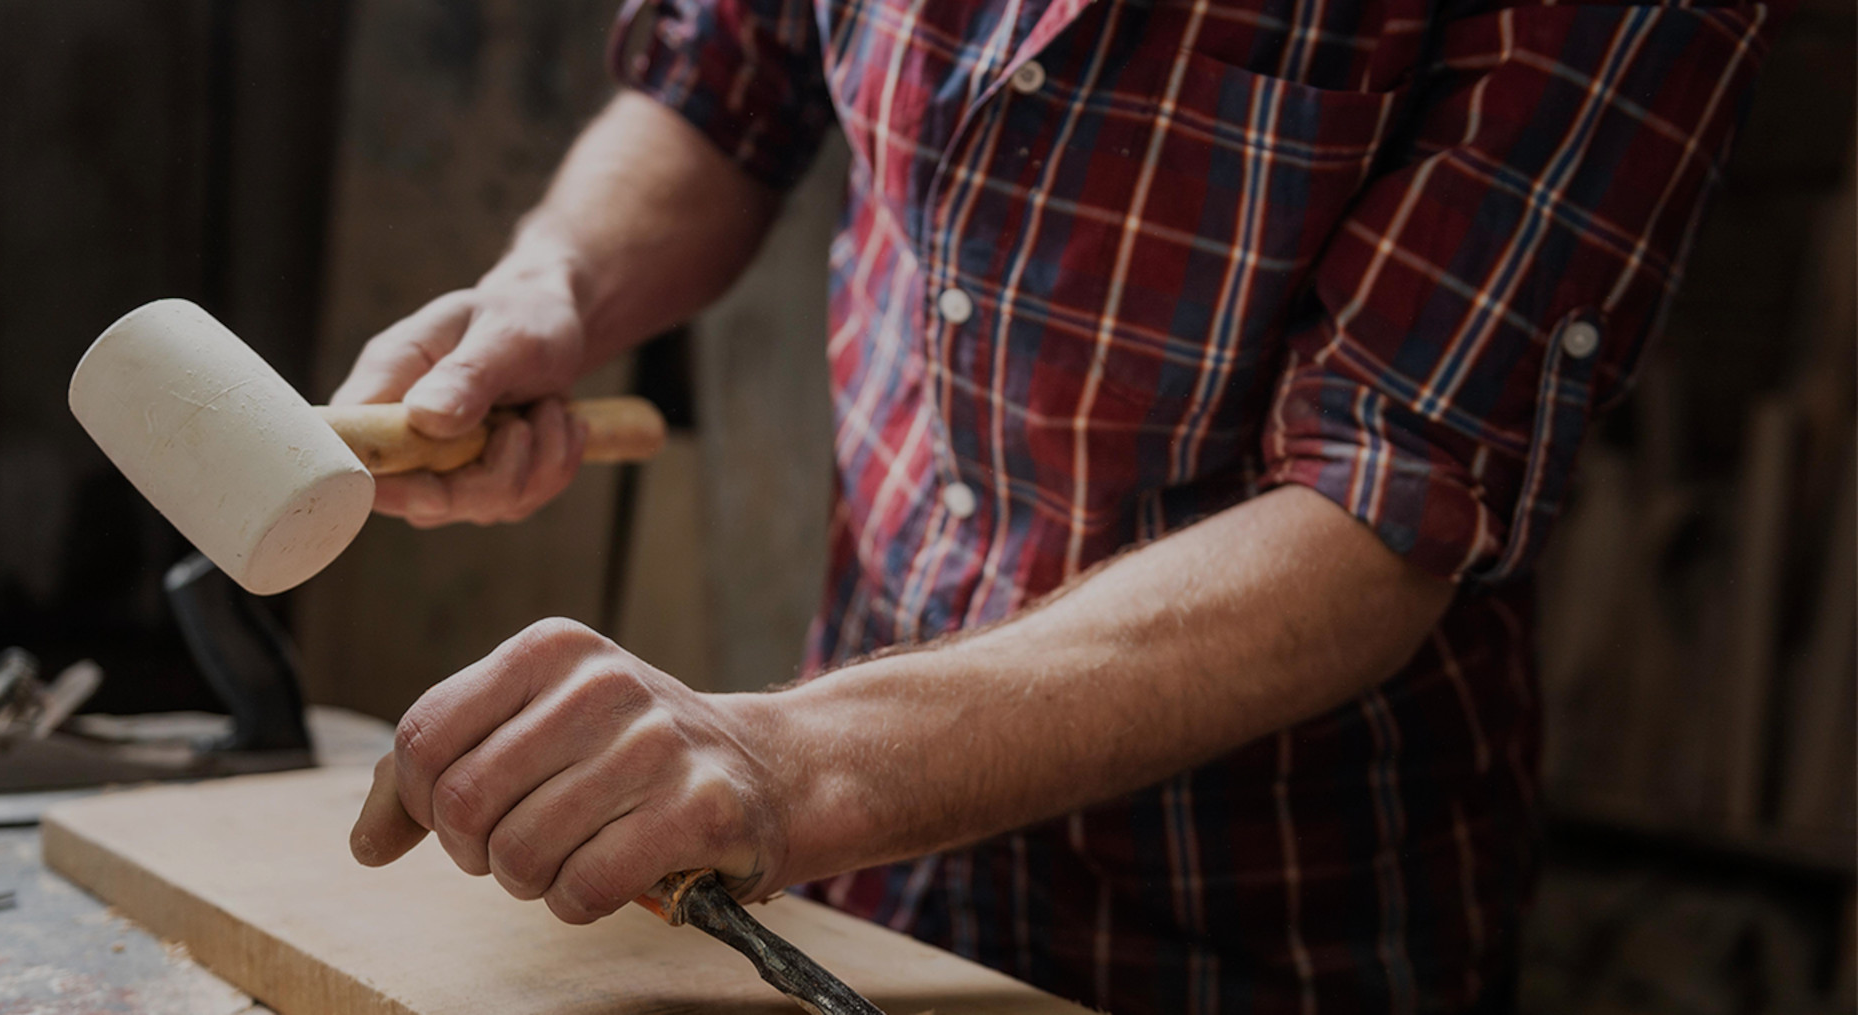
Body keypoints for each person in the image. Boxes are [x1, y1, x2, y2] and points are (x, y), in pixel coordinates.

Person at [341, 0, 1782, 1009]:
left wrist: (791, 764)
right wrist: (557, 284)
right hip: (865, 870)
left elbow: (1377, 516)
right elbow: (729, 81)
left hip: (1266, 919)